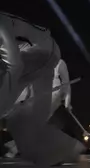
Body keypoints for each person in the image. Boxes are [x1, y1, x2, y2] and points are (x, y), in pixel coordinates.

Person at [0, 12, 85, 165]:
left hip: (41, 53)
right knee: (18, 116)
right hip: (36, 55)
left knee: (14, 112)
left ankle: (62, 149)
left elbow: (14, 66)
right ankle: (63, 150)